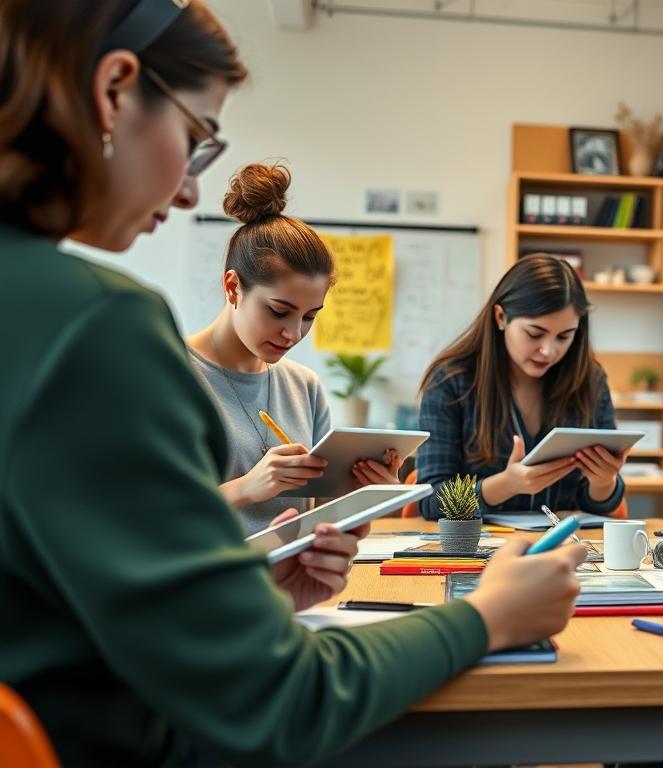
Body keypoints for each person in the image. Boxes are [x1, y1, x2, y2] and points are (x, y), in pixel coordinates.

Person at [0, 2, 585, 765]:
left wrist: (255, 585)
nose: (185, 193)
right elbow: (278, 700)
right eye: (197, 139)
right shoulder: (95, 326)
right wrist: (490, 616)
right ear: (115, 89)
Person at [183, 161, 401, 534]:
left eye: (309, 316)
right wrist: (243, 489)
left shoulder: (304, 387)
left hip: (290, 586)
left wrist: (361, 494)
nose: (293, 334)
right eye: (279, 311)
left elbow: (321, 520)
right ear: (233, 287)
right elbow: (135, 512)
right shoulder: (172, 374)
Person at [417, 254, 629, 519]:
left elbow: (601, 506)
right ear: (501, 317)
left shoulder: (590, 380)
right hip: (479, 552)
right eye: (534, 333)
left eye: (564, 336)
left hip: (563, 549)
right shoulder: (450, 382)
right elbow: (429, 501)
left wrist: (603, 483)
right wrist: (504, 486)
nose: (548, 351)